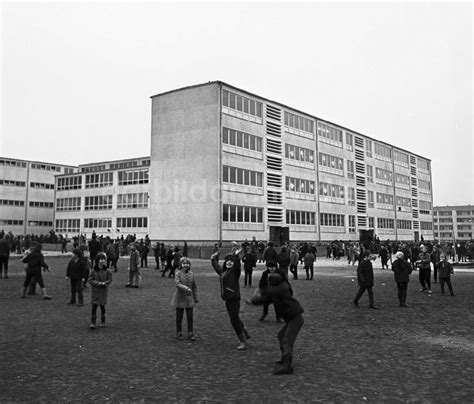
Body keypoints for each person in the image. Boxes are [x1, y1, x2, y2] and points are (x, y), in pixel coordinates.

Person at [246, 271, 304, 375]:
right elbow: (266, 298)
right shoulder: (281, 288)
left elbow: (265, 296)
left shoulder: (277, 290)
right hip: (293, 318)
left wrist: (253, 301)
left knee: (286, 340)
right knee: (281, 336)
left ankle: (287, 366)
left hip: (295, 318)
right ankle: (284, 358)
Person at [211, 247, 250, 350]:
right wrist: (213, 259)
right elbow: (217, 268)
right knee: (235, 317)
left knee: (234, 319)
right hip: (227, 299)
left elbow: (237, 267)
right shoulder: (224, 272)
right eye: (227, 261)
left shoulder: (235, 272)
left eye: (231, 261)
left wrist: (236, 257)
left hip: (234, 298)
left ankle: (242, 340)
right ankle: (244, 332)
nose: (229, 263)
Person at [171, 257, 199, 341]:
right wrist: (186, 288)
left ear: (189, 265)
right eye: (184, 263)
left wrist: (196, 298)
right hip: (180, 297)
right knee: (179, 316)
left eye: (187, 263)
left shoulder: (192, 274)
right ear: (180, 265)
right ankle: (179, 332)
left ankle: (190, 332)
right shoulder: (178, 273)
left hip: (189, 298)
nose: (185, 265)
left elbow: (194, 287)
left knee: (190, 316)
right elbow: (177, 283)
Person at [88, 253, 112, 329]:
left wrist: (105, 283)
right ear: (97, 261)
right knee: (94, 307)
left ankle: (103, 321)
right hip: (96, 291)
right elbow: (90, 280)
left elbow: (110, 279)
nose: (103, 261)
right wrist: (98, 283)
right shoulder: (93, 271)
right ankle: (93, 322)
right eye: (101, 259)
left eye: (104, 259)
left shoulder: (108, 271)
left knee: (102, 307)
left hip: (103, 291)